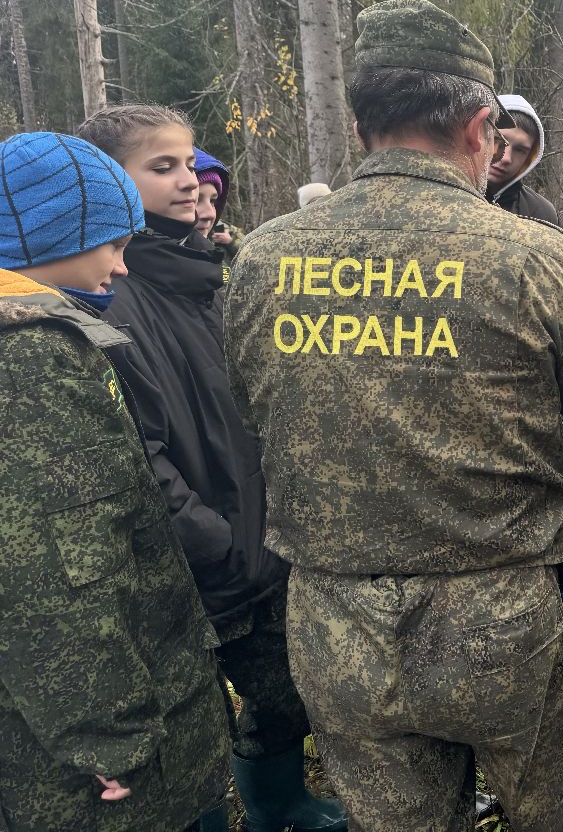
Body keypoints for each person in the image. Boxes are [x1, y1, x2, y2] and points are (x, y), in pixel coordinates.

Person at [223, 0, 563, 832]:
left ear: (360, 128)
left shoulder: (264, 257)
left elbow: (259, 414)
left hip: (336, 625)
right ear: (480, 128)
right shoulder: (532, 256)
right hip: (510, 624)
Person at [75, 106, 346, 832]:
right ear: (108, 184)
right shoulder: (115, 297)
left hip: (256, 544)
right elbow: (140, 459)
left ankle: (282, 807)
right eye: (161, 168)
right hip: (208, 566)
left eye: (190, 165)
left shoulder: (201, 278)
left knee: (282, 695)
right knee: (197, 722)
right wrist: (221, 544)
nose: (189, 181)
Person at [0, 131, 230, 832]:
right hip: (104, 774)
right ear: (46, 241)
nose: (122, 267)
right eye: (111, 242)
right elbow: (56, 575)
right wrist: (109, 734)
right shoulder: (32, 362)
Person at [487, 92, 561, 224]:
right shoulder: (444, 194)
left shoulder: (541, 214)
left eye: (519, 150)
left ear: (530, 157)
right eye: (497, 140)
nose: (506, 158)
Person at [194, 146, 242, 260]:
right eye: (195, 200)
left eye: (213, 201)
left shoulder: (222, 226)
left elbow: (250, 253)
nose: (210, 214)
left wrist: (229, 242)